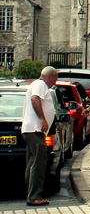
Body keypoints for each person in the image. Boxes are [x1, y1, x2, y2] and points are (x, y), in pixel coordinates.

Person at [21, 65, 58, 206]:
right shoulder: (40, 84)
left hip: (32, 130)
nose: (54, 83)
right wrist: (42, 119)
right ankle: (35, 196)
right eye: (55, 79)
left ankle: (31, 194)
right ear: (49, 77)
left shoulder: (38, 85)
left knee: (32, 162)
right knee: (39, 162)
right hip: (35, 130)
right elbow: (35, 99)